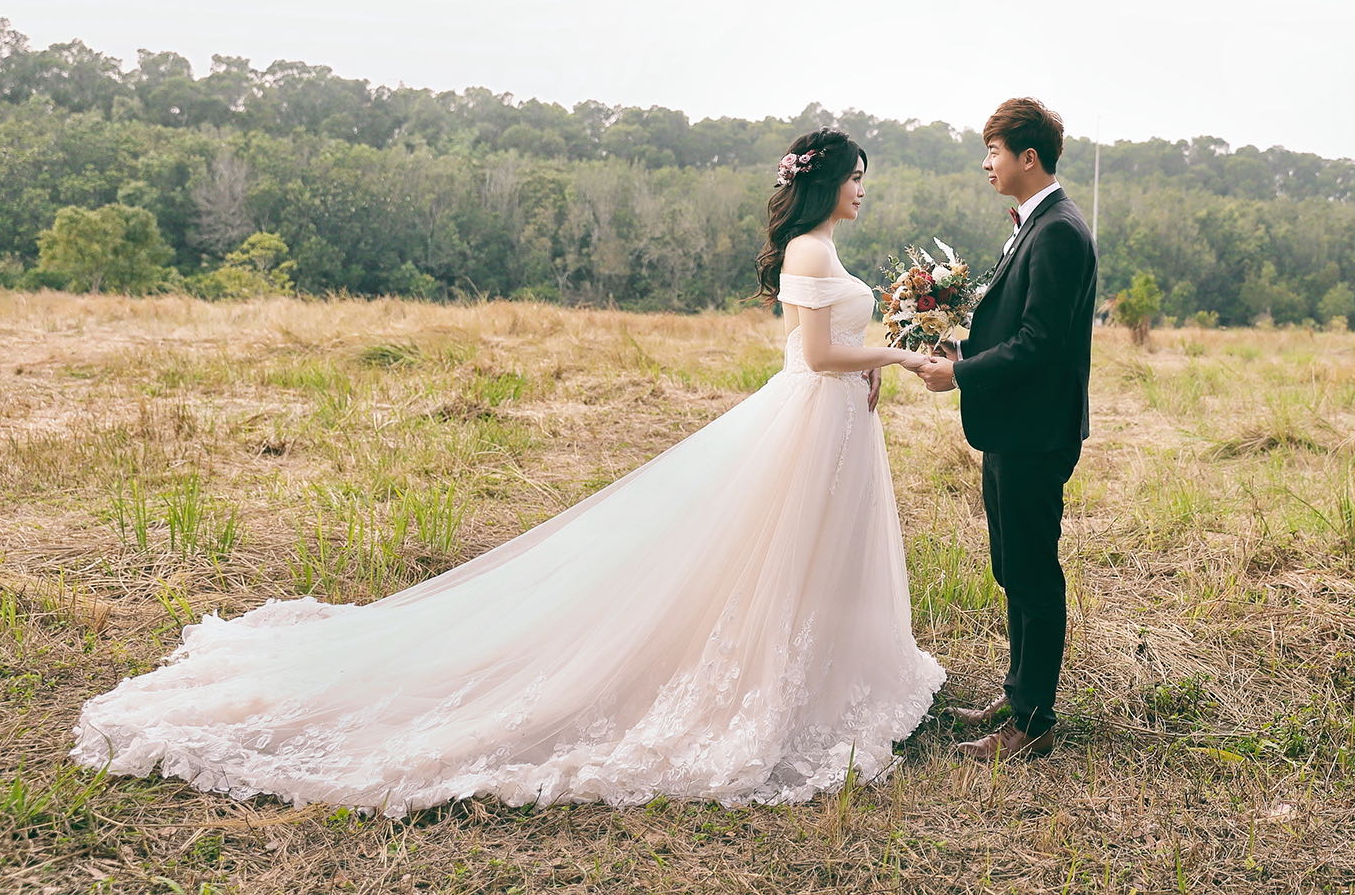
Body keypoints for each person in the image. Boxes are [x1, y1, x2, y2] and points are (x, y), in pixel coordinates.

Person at [70, 130, 943, 815]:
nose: (863, 188)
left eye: (864, 177)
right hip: (810, 417)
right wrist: (897, 356)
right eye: (856, 176)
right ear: (825, 182)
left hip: (833, 419)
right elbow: (815, 352)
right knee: (767, 550)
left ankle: (823, 667)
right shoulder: (809, 252)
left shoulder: (822, 249)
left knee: (814, 553)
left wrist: (871, 362)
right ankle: (775, 681)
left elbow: (823, 349)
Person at [917, 98, 1098, 759]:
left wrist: (960, 374)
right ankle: (1019, 692)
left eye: (993, 151)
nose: (986, 163)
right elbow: (1016, 326)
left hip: (1036, 431)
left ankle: (1032, 723)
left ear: (1028, 156)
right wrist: (963, 347)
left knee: (1032, 572)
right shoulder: (1034, 224)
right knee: (1012, 566)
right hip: (1014, 426)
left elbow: (1039, 343)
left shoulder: (1058, 231)